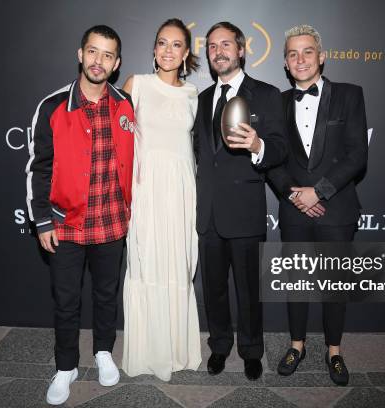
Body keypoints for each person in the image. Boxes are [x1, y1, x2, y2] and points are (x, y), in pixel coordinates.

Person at [25, 25, 135, 405]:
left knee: (107, 295)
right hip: (66, 224)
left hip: (111, 222)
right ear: (80, 54)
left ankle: (103, 351)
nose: (98, 61)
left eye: (107, 55)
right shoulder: (53, 106)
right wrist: (41, 220)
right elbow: (38, 169)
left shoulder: (125, 105)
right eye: (93, 52)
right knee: (66, 300)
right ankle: (66, 367)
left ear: (116, 63)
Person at [267, 24, 368, 386]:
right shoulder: (276, 103)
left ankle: (334, 351)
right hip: (294, 209)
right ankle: (297, 345)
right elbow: (272, 160)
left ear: (321, 57)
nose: (301, 59)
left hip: (337, 207)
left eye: (308, 51)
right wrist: (296, 195)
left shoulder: (349, 95)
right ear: (285, 62)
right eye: (293, 53)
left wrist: (318, 192)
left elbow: (357, 154)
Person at [194, 21, 287, 381]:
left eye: (226, 45)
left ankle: (251, 350)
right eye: (213, 46)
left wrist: (258, 146)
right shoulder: (201, 100)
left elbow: (280, 148)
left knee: (249, 290)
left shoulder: (266, 94)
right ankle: (219, 345)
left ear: (242, 49)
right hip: (209, 215)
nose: (219, 51)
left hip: (245, 213)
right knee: (214, 289)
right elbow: (199, 153)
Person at [121, 18, 202, 381]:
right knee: (147, 263)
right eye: (162, 43)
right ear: (154, 49)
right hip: (146, 189)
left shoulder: (193, 94)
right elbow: (119, 143)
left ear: (186, 53)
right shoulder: (135, 85)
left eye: (176, 45)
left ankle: (176, 349)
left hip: (182, 192)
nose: (168, 51)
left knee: (178, 266)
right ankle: (148, 353)